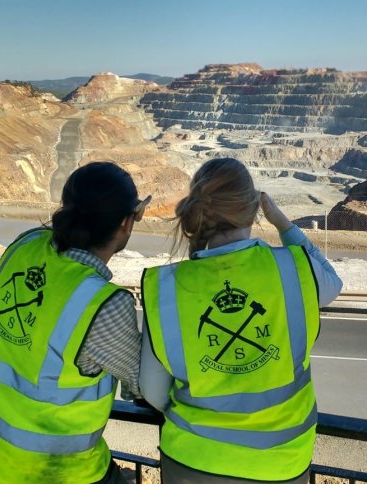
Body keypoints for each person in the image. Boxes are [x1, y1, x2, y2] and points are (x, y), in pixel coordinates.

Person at [139, 157, 343, 483]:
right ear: (253, 210)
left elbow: (153, 391)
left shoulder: (166, 287)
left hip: (192, 462)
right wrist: (283, 224)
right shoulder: (293, 269)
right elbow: (333, 282)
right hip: (283, 463)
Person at [0, 161, 150, 483]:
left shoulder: (24, 245)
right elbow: (144, 385)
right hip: (54, 472)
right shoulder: (103, 304)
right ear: (127, 223)